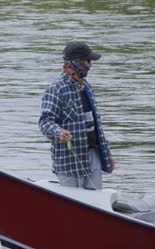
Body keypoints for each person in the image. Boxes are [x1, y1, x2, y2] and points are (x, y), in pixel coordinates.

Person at [39, 41, 115, 190]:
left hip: (93, 155)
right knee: (70, 203)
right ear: (77, 63)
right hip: (68, 161)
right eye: (88, 61)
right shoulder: (56, 89)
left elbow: (96, 125)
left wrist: (106, 154)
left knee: (94, 201)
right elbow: (45, 121)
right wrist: (59, 132)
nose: (90, 65)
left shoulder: (86, 87)